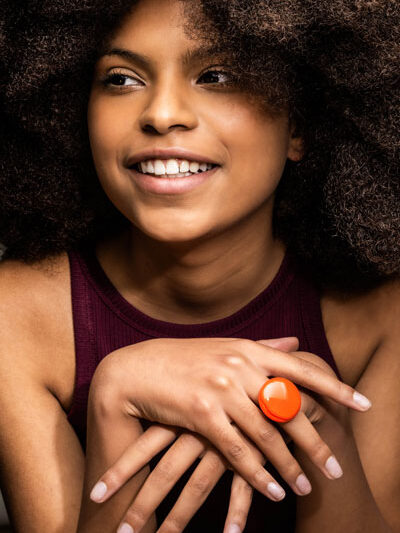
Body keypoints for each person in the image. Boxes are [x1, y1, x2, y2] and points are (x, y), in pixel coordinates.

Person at [0, 0, 399, 532]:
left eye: (216, 75)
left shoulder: (381, 314)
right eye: (120, 79)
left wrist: (324, 428)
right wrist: (116, 391)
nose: (162, 114)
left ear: (300, 124)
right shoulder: (15, 316)